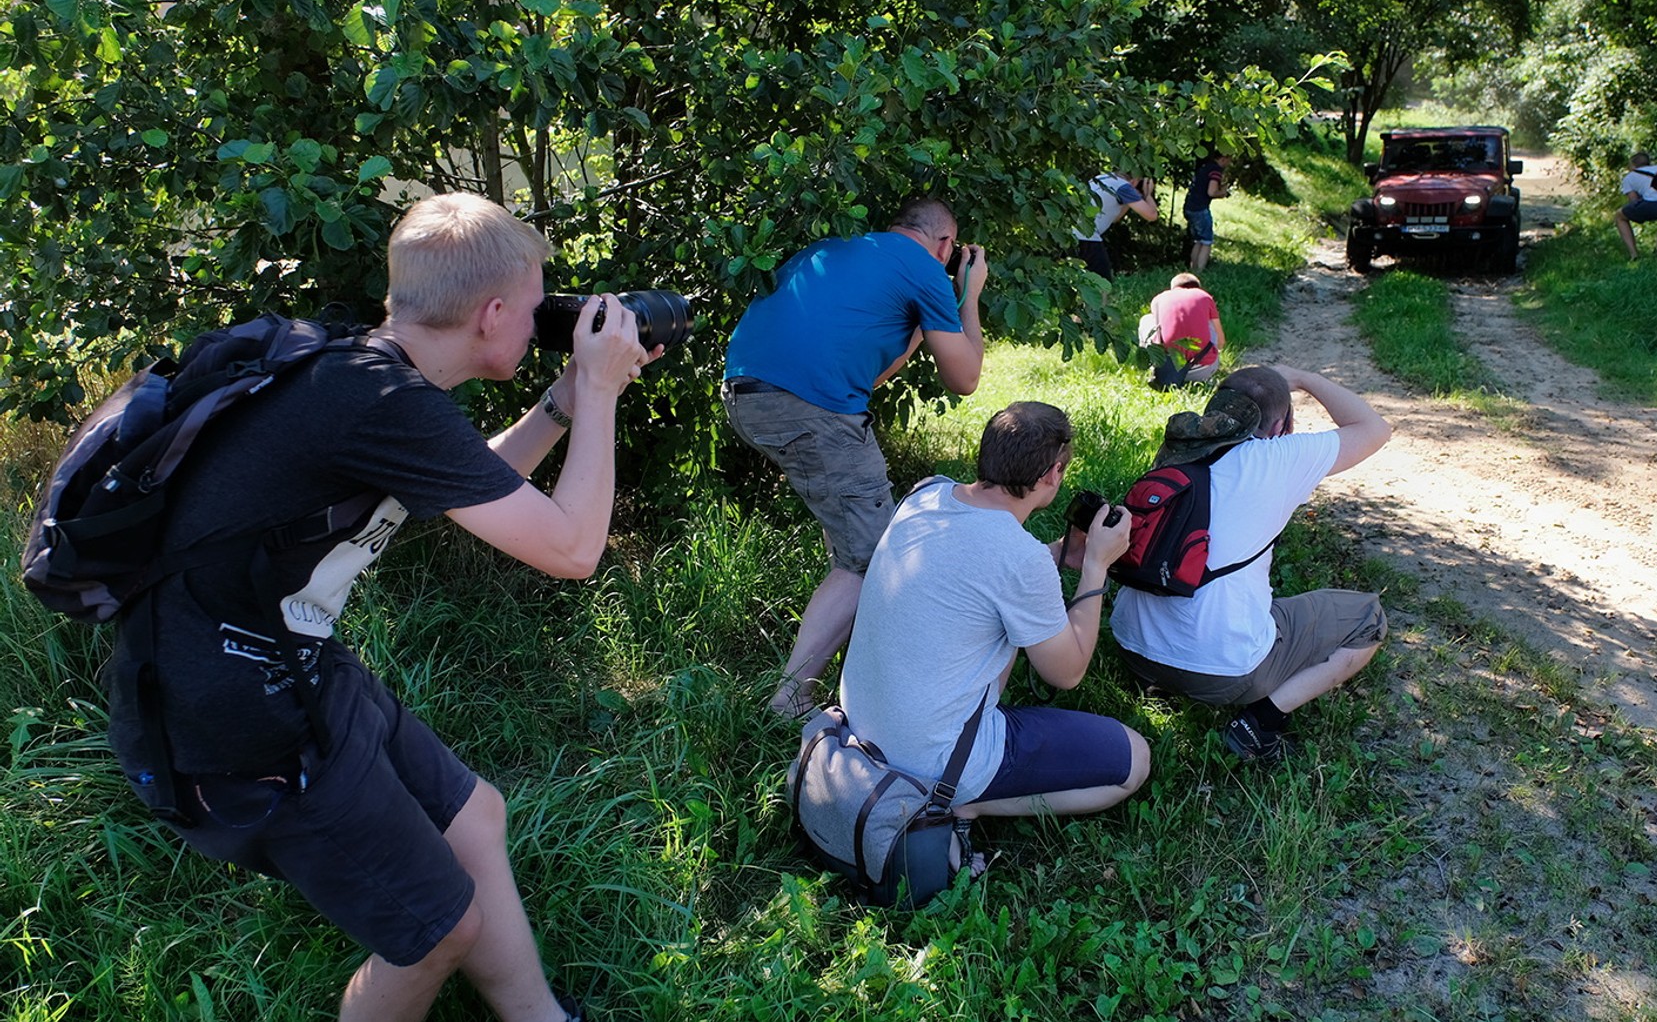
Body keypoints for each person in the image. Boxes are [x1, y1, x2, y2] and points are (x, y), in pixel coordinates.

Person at [104, 193, 661, 1020]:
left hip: (289, 655)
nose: (548, 320)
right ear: (495, 312)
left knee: (475, 816)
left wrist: (561, 404)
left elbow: (476, 477)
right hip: (228, 712)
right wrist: (607, 395)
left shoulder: (365, 373)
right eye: (541, 306)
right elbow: (573, 550)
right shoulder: (378, 401)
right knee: (440, 931)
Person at [722, 197, 988, 717]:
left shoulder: (835, 251)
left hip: (745, 393)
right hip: (807, 406)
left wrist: (922, 319)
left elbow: (867, 373)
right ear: (945, 245)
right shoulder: (924, 270)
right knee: (871, 557)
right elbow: (965, 379)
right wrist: (967, 296)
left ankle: (843, 663)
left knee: (854, 540)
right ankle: (791, 700)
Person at [839, 401, 1150, 826]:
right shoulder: (1018, 558)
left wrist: (1059, 554)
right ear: (1052, 475)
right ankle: (966, 803)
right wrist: (1095, 566)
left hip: (863, 730)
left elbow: (972, 568)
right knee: (1134, 761)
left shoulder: (926, 494)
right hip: (934, 759)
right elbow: (1067, 673)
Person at [1109, 365, 1392, 762]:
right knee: (1367, 617)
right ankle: (1261, 720)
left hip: (1131, 646)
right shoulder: (1278, 459)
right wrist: (1305, 379)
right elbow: (1374, 428)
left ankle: (1158, 687)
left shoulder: (1177, 447)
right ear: (1281, 426)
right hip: (1224, 673)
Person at [1136, 272, 1226, 386]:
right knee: (1209, 322)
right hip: (1202, 370)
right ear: (1197, 287)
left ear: (1173, 288)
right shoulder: (1204, 296)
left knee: (1147, 319)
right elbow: (1221, 341)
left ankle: (1148, 364)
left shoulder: (1159, 298)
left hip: (1166, 370)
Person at [1071, 170, 1158, 280]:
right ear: (1135, 180)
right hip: (1087, 236)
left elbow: (1115, 218)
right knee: (1101, 281)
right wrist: (1148, 194)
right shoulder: (1124, 186)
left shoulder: (1102, 178)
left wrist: (1131, 199)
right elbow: (1152, 215)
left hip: (1071, 232)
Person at [1182, 150, 1231, 273]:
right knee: (1206, 241)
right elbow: (1211, 192)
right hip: (1200, 209)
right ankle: (1200, 271)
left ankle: (1193, 268)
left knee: (1198, 240)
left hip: (1189, 206)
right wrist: (1223, 193)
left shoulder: (1205, 168)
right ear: (1223, 159)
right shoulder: (1215, 171)